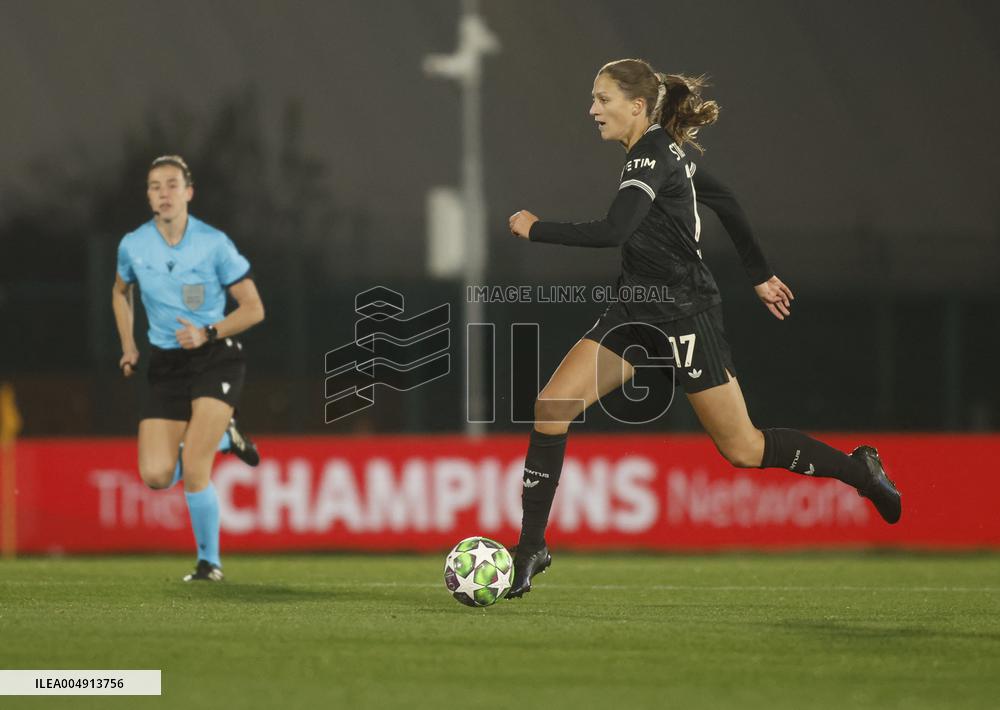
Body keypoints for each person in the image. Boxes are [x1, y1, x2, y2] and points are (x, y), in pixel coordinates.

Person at [505, 59, 900, 599]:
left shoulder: (650, 154)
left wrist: (536, 229)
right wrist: (759, 274)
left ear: (637, 106)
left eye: (602, 99)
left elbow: (614, 230)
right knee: (552, 407)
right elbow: (725, 201)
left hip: (686, 313)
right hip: (636, 308)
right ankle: (531, 548)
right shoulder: (666, 151)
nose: (593, 109)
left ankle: (861, 472)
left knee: (742, 448)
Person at [112, 155, 265, 582]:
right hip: (166, 362)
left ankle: (208, 564)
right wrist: (128, 345)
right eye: (155, 186)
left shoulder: (213, 243)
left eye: (172, 185)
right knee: (157, 475)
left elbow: (254, 309)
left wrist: (208, 332)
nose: (164, 193)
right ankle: (222, 439)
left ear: (188, 192)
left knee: (194, 468)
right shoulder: (133, 245)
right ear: (148, 195)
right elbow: (119, 292)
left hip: (216, 355)